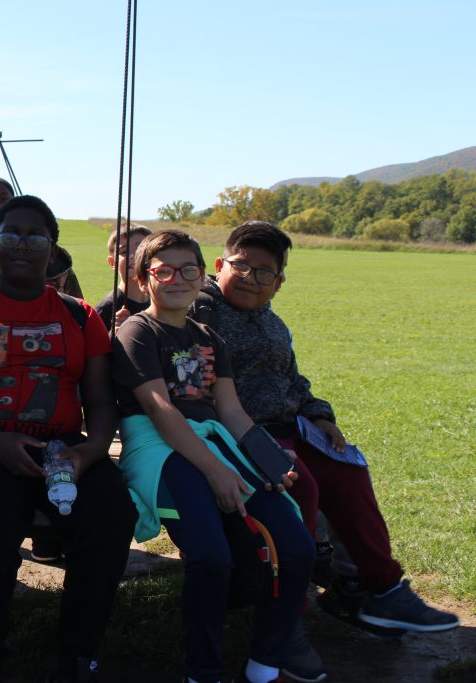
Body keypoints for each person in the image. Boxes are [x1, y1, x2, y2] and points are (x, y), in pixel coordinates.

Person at [190, 221, 459, 641]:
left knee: (349, 471)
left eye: (264, 273)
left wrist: (319, 414)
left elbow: (292, 378)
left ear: (278, 284)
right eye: (241, 267)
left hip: (292, 427)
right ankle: (286, 617)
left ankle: (379, 590)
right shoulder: (200, 311)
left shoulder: (272, 321)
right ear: (221, 264)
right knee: (302, 486)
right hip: (239, 434)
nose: (250, 279)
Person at [0, 195, 137, 683]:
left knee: (111, 513)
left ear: (53, 248)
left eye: (35, 235)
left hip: (62, 448)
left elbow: (102, 402)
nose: (22, 245)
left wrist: (92, 450)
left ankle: (80, 652)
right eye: (10, 234)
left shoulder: (81, 316)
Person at [112, 229, 314, 683]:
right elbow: (159, 408)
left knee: (296, 542)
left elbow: (231, 410)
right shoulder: (136, 331)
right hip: (157, 445)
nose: (177, 278)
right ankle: (202, 669)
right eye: (163, 270)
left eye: (188, 269)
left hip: (214, 439)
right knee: (210, 556)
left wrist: (268, 460)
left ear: (202, 274)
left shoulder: (210, 338)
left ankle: (266, 660)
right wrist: (215, 470)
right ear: (145, 280)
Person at [94, 223, 152, 331]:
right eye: (124, 251)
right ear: (112, 262)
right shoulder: (106, 309)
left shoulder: (158, 301)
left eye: (140, 250)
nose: (133, 256)